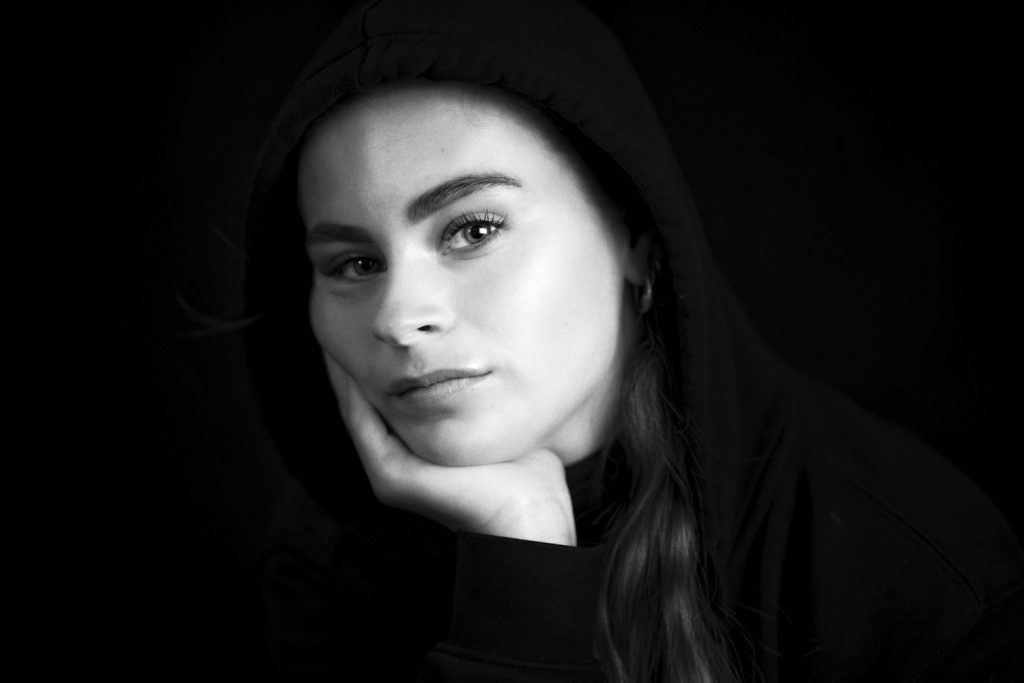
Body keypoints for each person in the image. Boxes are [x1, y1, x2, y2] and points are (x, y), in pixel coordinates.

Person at [235, 0, 1024, 680]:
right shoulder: (329, 557)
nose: (398, 315)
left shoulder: (910, 569)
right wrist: (521, 568)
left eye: (473, 229)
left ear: (637, 238)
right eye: (354, 263)